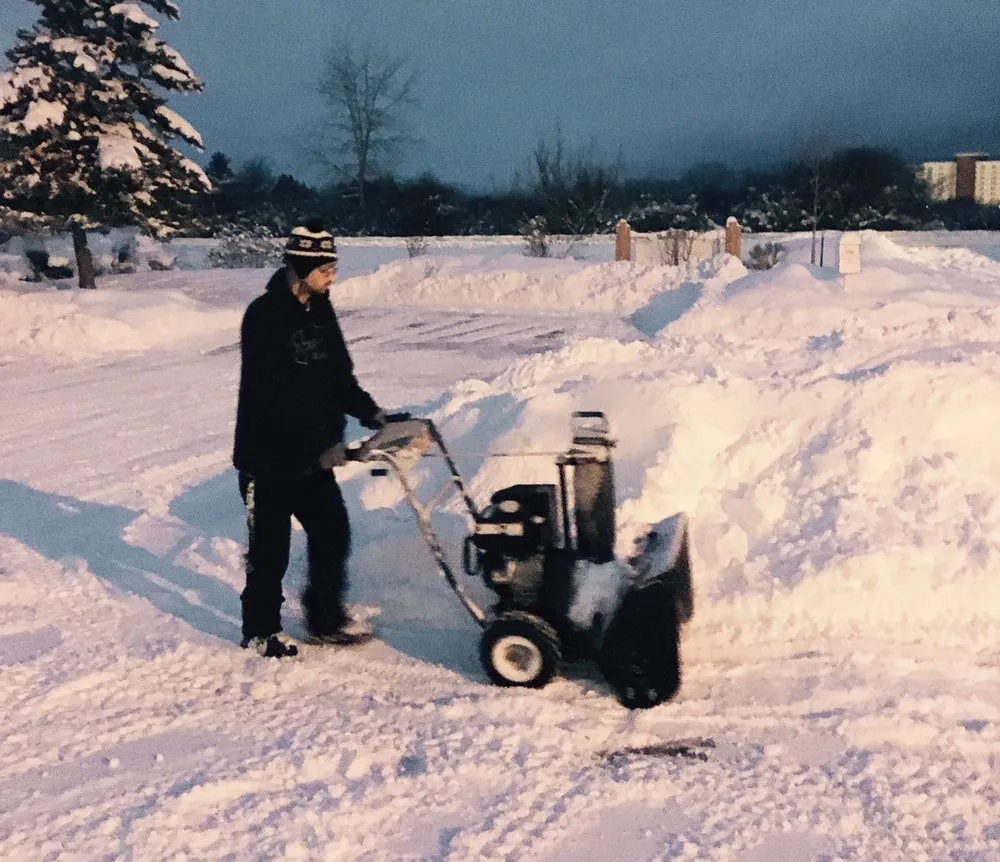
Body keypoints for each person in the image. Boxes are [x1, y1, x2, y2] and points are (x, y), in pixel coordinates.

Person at [232, 219, 387, 657]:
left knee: (333, 532)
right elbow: (274, 397)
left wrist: (371, 412)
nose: (331, 276)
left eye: (333, 267)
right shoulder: (263, 316)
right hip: (268, 459)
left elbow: (339, 375)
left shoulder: (321, 310)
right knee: (270, 551)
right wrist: (317, 446)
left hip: (312, 460)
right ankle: (261, 630)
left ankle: (323, 618)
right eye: (323, 268)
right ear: (300, 268)